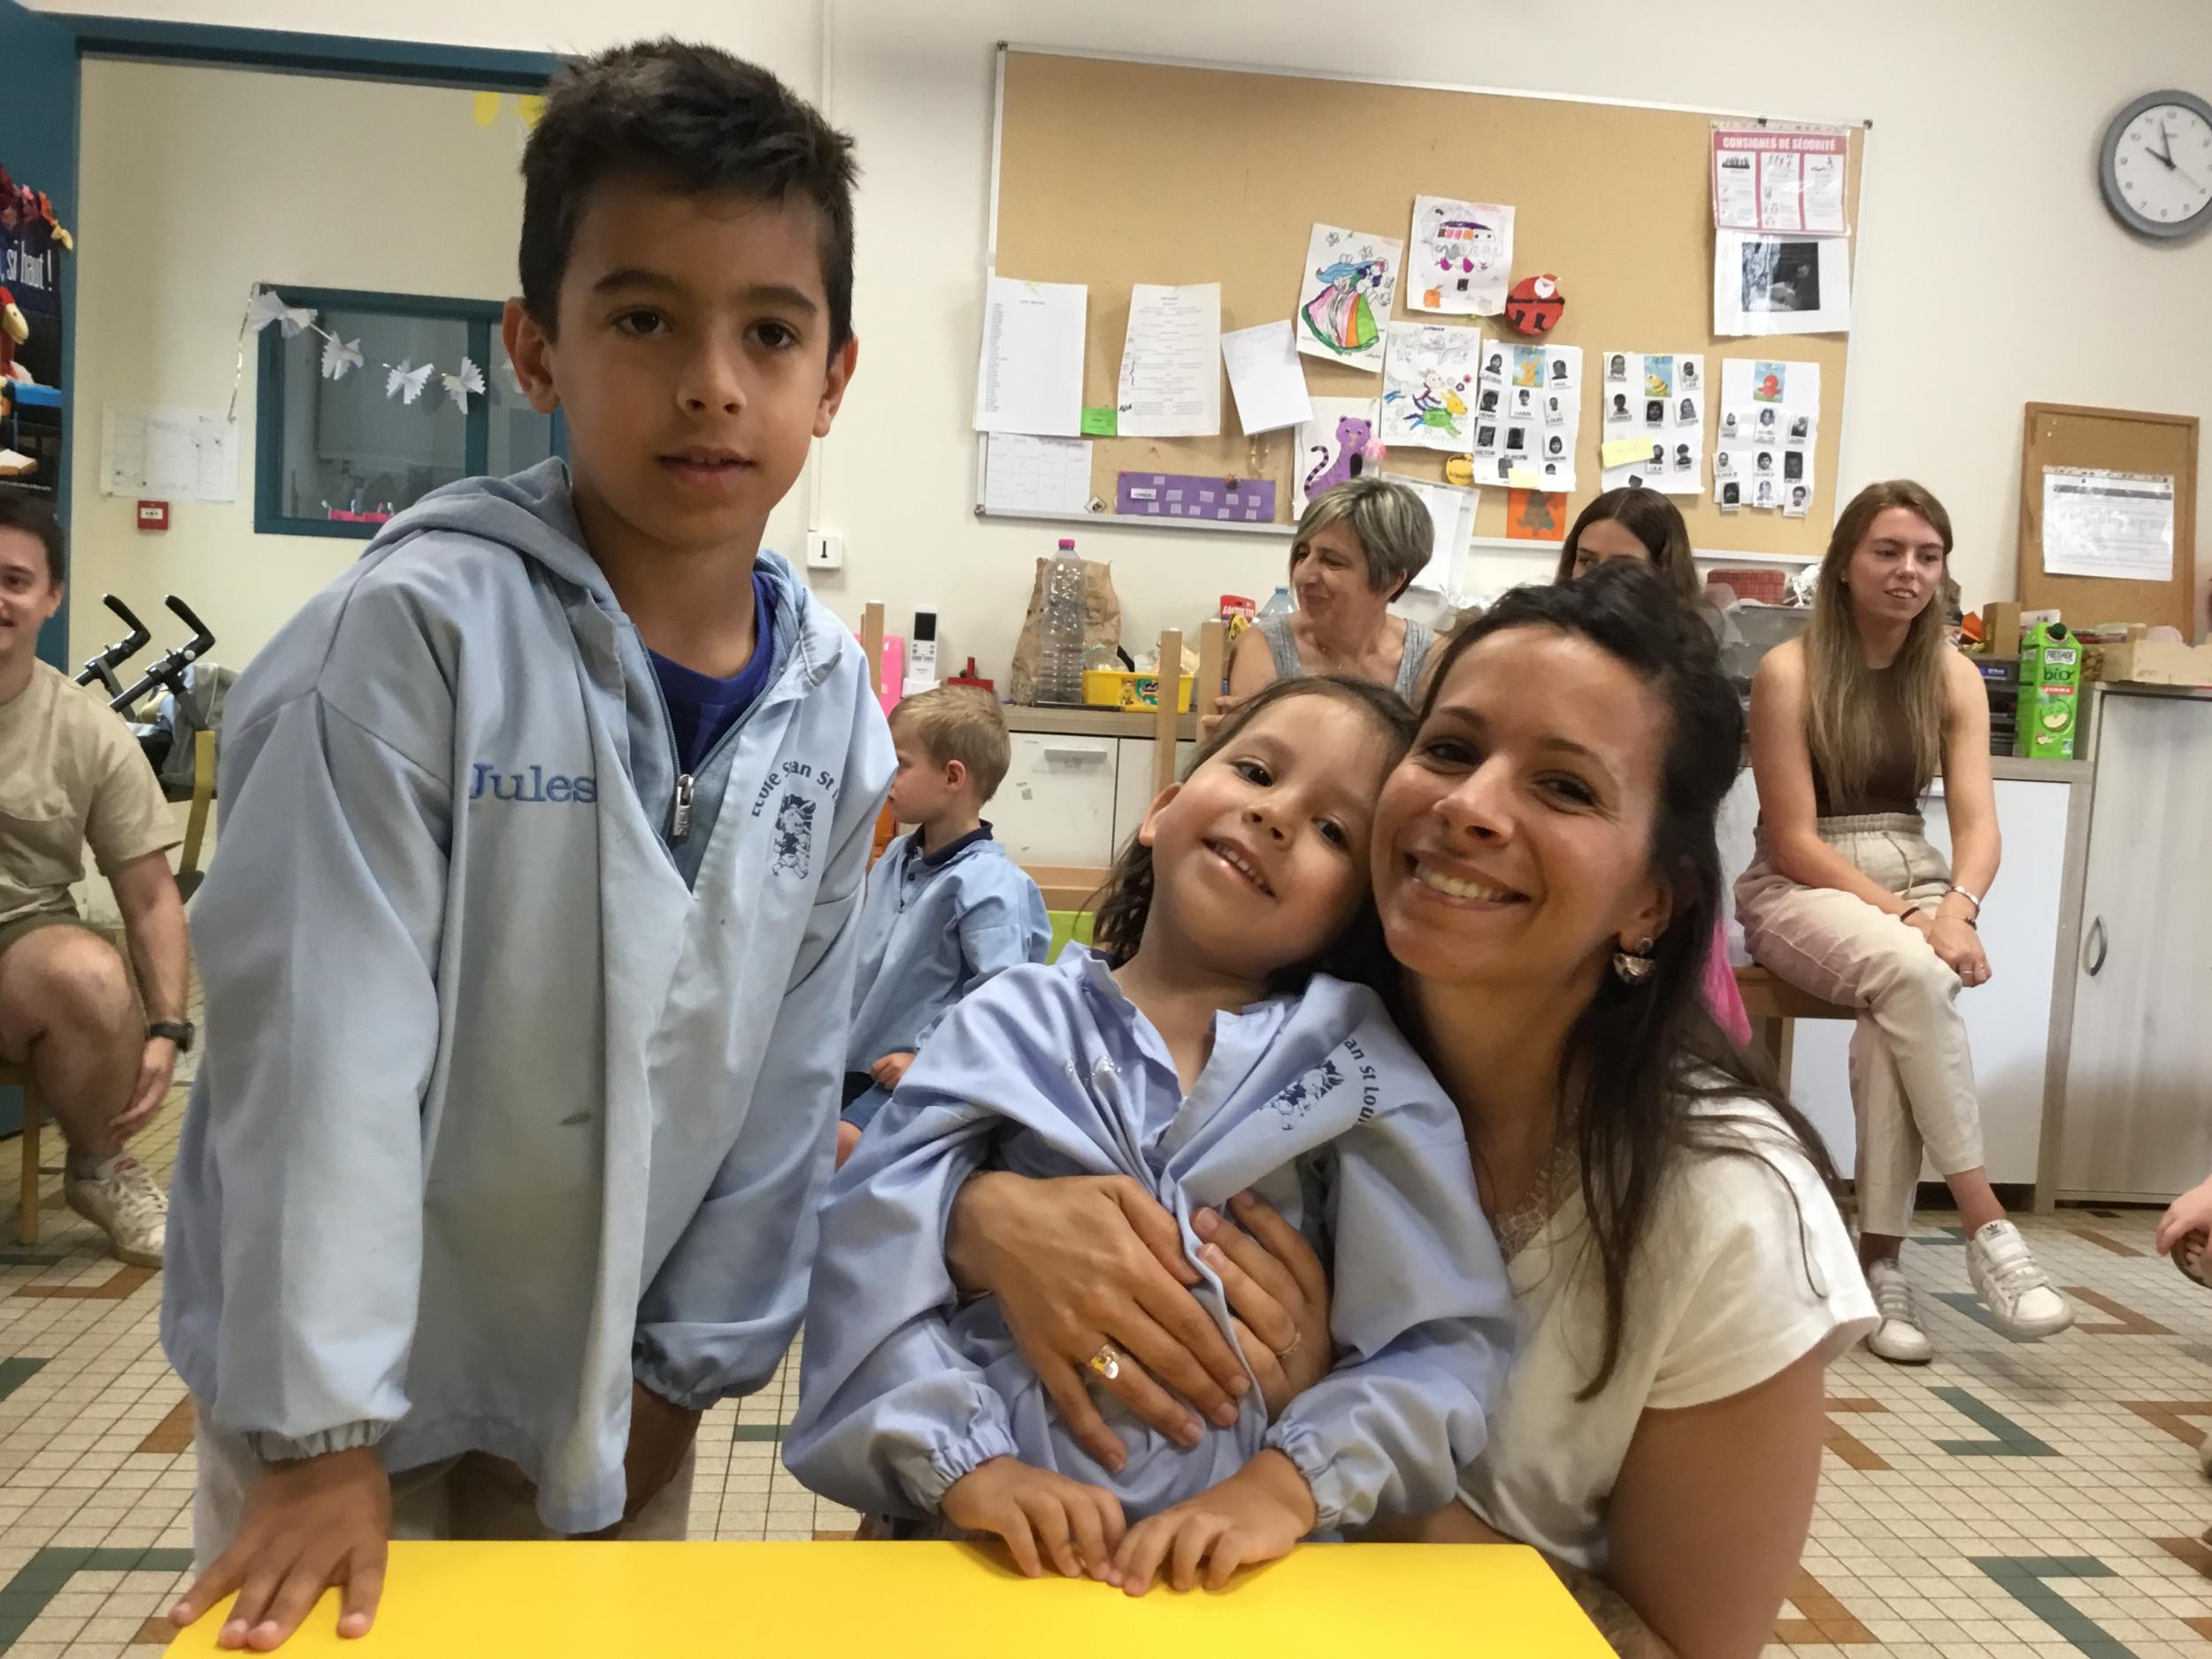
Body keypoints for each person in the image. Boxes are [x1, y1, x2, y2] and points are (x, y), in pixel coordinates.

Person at [161, 39, 892, 1651]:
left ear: (833, 377)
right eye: (643, 319)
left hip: (615, 1394)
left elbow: (785, 1082)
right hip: (347, 1422)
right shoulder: (411, 641)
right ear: (535, 348)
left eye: (770, 332)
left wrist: (682, 1378)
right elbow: (318, 1052)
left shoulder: (836, 710)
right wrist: (317, 1433)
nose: (712, 382)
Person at [941, 565, 1874, 1656]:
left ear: (1651, 901)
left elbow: (1678, 1649)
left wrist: (1318, 1439)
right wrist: (978, 1224)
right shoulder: (1271, 1034)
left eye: (1564, 787)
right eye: (1451, 749)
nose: (1469, 807)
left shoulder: (1726, 1215)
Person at [787, 676, 1512, 1594]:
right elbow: (872, 1242)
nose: (1278, 816)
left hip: (1235, 1579)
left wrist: (1288, 1483)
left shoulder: (1357, 1066)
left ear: (1356, 908)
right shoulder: (1010, 1020)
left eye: (1335, 830)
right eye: (1257, 772)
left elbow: (1439, 1336)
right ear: (1162, 809)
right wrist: (967, 1465)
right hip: (985, 1554)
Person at [1735, 480, 2071, 1367]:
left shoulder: (1952, 674)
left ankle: (1879, 1266)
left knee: (1900, 1005)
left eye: (1927, 556)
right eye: (1887, 552)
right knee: (1914, 970)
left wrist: (1957, 907)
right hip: (1801, 883)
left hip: (1914, 872)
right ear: (1845, 564)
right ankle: (1987, 1225)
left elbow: (1978, 825)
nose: (1908, 572)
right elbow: (1796, 841)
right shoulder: (1789, 671)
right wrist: (1916, 921)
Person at [0, 494, 192, 1267]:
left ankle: (100, 1167)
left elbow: (150, 894)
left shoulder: (85, 728)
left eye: (15, 580)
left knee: (88, 972)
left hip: (17, 950)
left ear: (51, 597)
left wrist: (168, 1027)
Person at [1552, 490, 1748, 1048]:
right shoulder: (1547, 650)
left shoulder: (1688, 672)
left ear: (1664, 574)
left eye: (1622, 566)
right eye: (1585, 561)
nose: (1595, 579)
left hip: (1648, 865)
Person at [837, 685, 1049, 1165]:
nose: (886, 776)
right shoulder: (897, 856)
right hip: (860, 1060)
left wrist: (925, 1057)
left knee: (839, 1150)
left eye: (901, 764)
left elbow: (1001, 998)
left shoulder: (990, 884)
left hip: (933, 1073)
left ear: (953, 776)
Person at [1215, 478, 1437, 726]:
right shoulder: (1265, 646)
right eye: (1302, 554)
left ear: (1391, 582)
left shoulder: (1431, 661)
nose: (1303, 575)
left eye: (1332, 561)